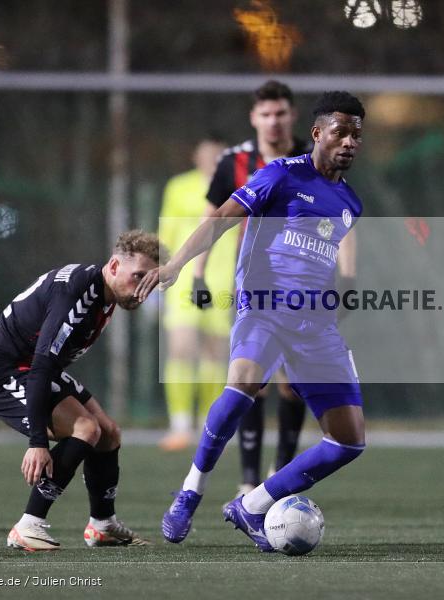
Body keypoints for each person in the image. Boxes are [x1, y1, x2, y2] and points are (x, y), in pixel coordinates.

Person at [135, 91, 366, 551]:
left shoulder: (350, 202)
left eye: (356, 135)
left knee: (348, 441)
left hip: (315, 323)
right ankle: (190, 490)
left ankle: (251, 504)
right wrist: (178, 265)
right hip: (264, 306)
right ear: (317, 133)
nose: (349, 142)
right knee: (243, 384)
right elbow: (221, 218)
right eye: (340, 132)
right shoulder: (281, 174)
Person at [0, 230, 163, 550]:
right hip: (3, 372)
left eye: (151, 280)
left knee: (109, 433)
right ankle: (29, 525)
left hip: (35, 367)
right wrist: (37, 442)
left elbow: (46, 364)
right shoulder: (77, 295)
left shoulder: (106, 292)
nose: (144, 287)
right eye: (139, 276)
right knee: (85, 428)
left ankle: (103, 525)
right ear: (114, 266)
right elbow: (41, 367)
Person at [198, 80, 313, 497]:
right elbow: (213, 218)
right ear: (253, 118)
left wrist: (347, 277)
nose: (273, 121)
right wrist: (197, 274)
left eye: (280, 113)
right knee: (251, 380)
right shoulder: (234, 162)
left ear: (292, 115)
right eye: (265, 114)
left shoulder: (313, 158)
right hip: (253, 284)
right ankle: (248, 480)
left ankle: (280, 476)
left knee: (293, 383)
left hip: (305, 284)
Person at [158, 137, 233, 451]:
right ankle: (179, 424)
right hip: (184, 279)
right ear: (196, 156)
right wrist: (157, 267)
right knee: (181, 347)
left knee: (214, 353)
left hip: (223, 280)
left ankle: (208, 424)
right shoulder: (179, 187)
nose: (212, 158)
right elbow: (166, 233)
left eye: (218, 153)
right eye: (206, 153)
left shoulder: (237, 187)